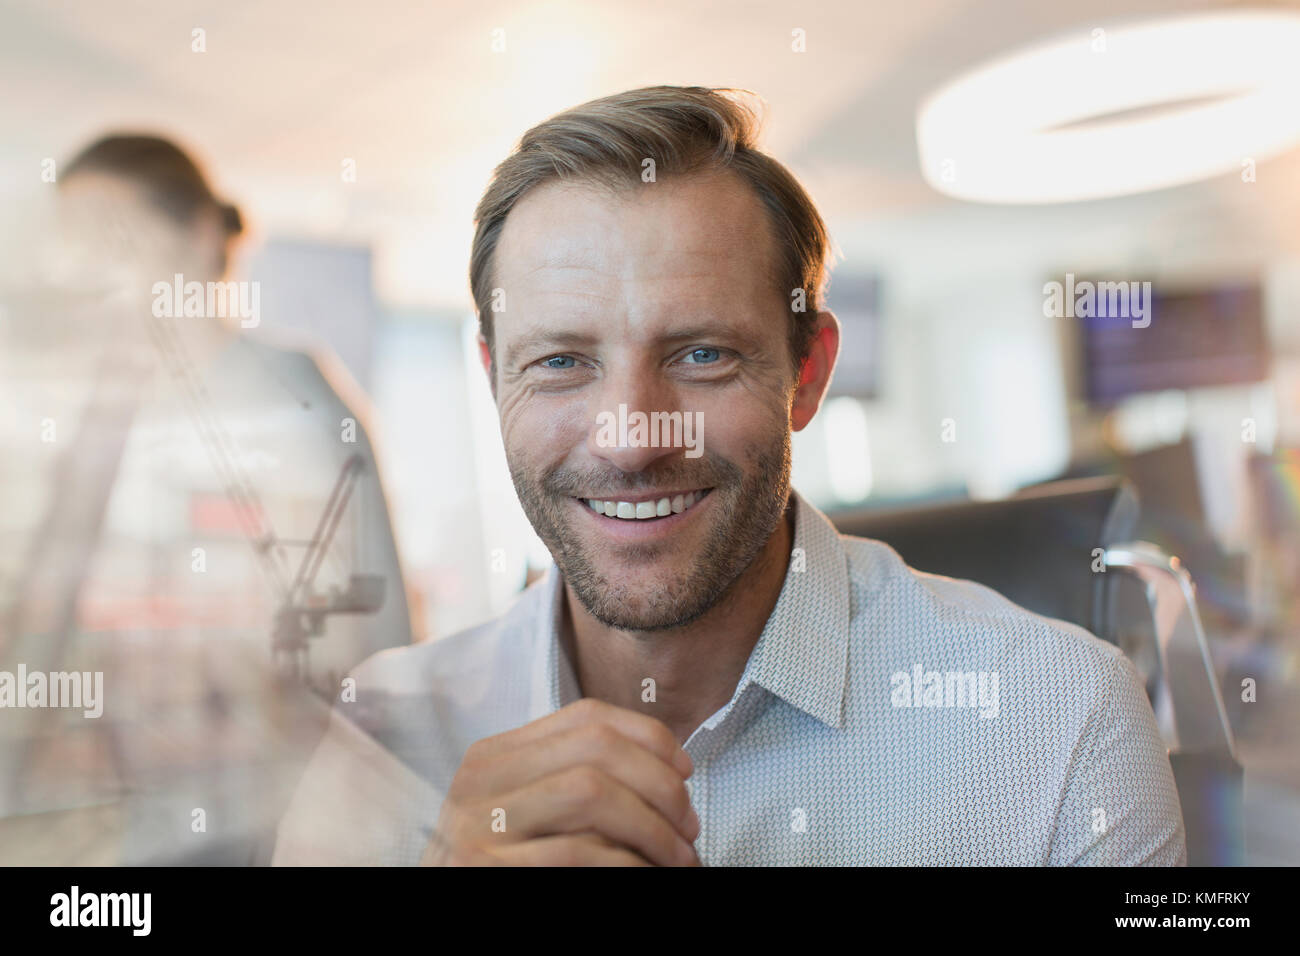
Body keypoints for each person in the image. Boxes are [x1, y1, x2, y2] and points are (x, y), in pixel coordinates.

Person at [273, 86, 1185, 866]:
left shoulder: (1060, 720)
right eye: (559, 362)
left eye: (703, 353)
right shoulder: (380, 738)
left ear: (808, 373)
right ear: (491, 380)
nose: (631, 439)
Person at [0, 133, 411, 864]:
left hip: (278, 824)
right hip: (113, 833)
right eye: (72, 248)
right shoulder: (91, 422)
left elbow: (377, 650)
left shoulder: (297, 400)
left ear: (195, 239)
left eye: (111, 237)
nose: (87, 270)